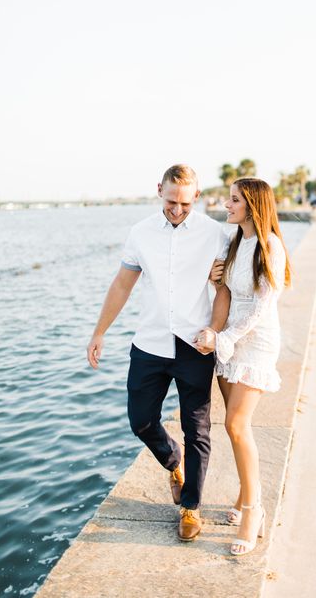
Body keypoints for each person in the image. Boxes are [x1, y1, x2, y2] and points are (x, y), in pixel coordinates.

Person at [87, 164, 230, 542]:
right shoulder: (140, 233)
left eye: (185, 202)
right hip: (149, 343)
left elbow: (226, 291)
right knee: (141, 420)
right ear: (158, 191)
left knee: (197, 429)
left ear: (196, 197)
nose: (178, 210)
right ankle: (173, 462)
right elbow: (122, 285)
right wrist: (100, 331)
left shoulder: (215, 234)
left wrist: (214, 332)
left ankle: (190, 508)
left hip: (194, 346)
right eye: (171, 201)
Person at [196, 177, 291, 556]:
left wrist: (227, 338)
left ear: (252, 204)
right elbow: (228, 294)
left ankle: (255, 510)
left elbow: (262, 306)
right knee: (235, 427)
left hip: (254, 344)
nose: (226, 205)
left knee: (237, 424)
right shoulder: (236, 243)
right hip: (228, 342)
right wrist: (212, 278)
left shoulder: (271, 246)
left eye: (233, 200)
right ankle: (242, 495)